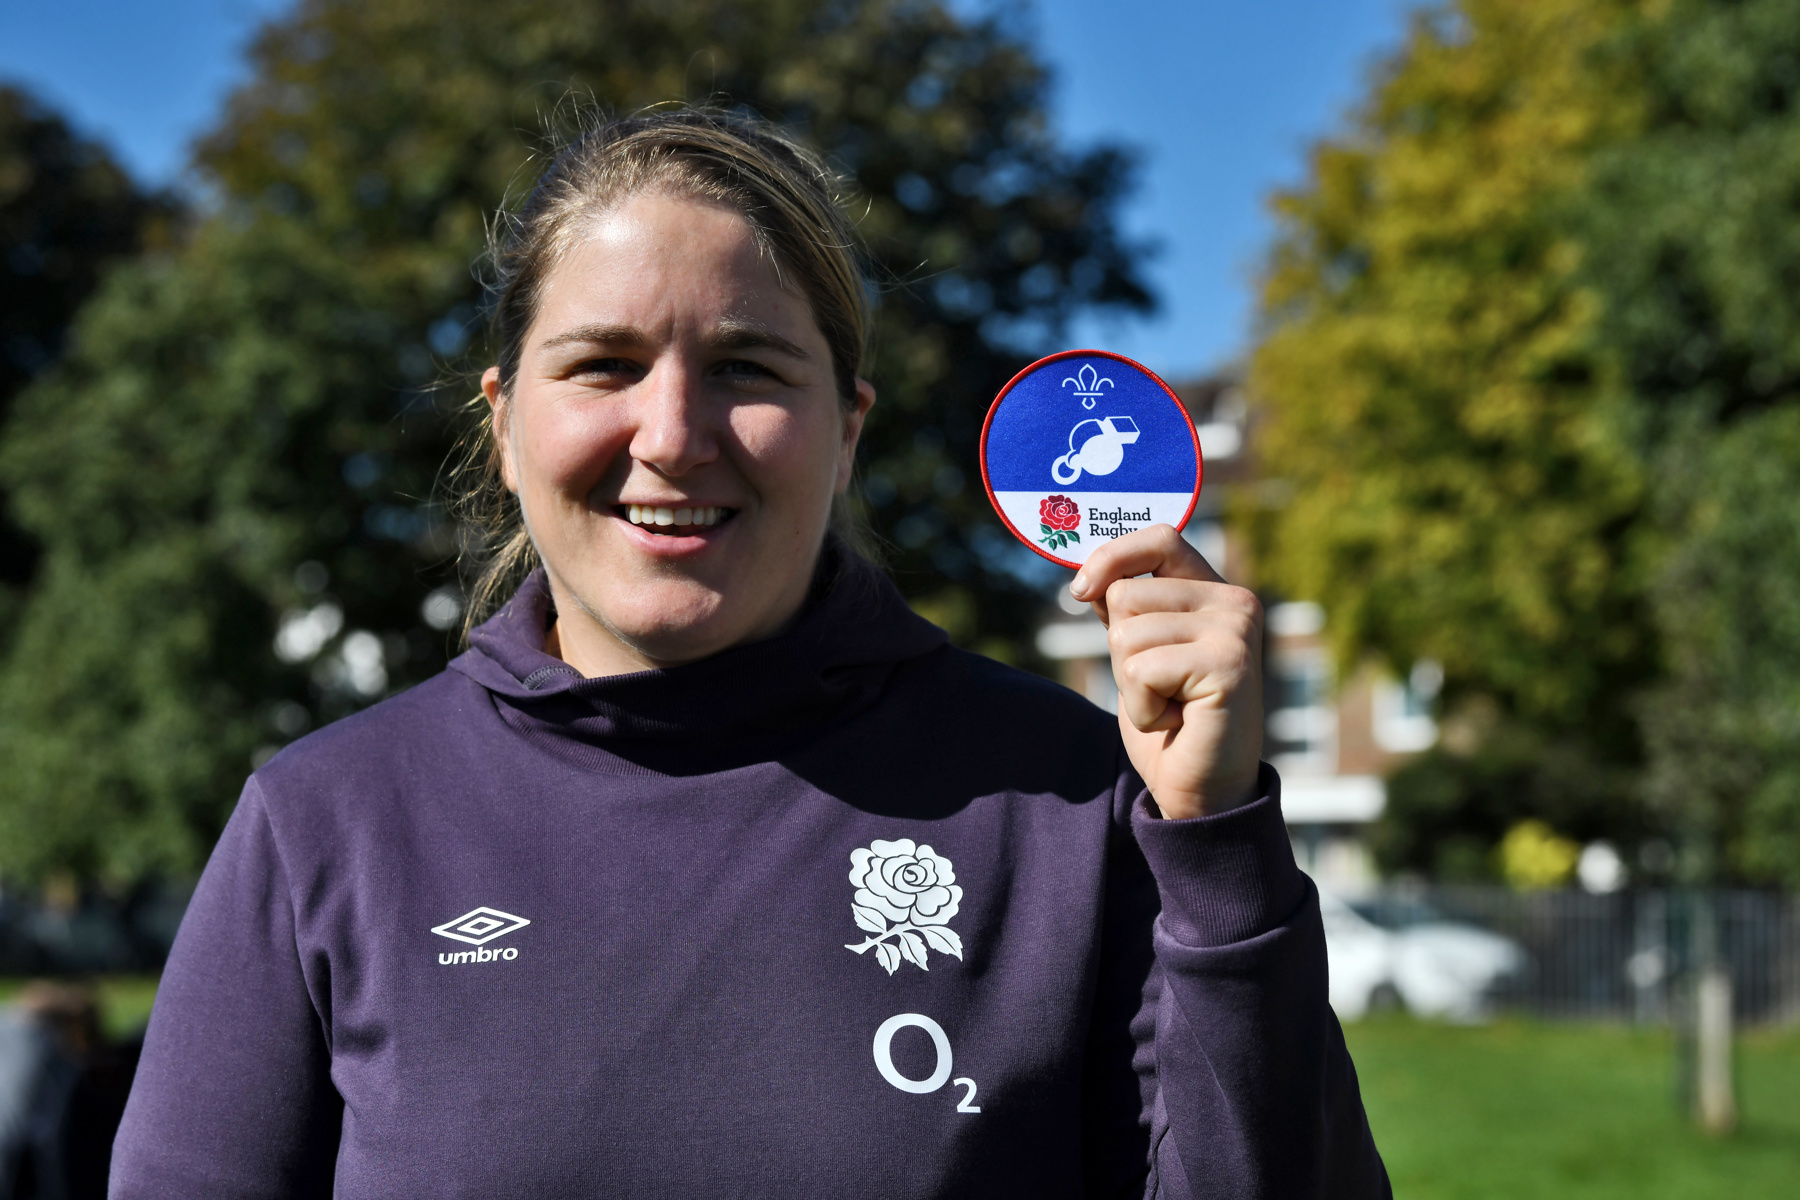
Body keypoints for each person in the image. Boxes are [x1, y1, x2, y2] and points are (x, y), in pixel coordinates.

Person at [110, 108, 1389, 1198]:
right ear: (504, 425)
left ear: (847, 432)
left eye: (747, 367)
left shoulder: (1074, 795)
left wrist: (1217, 841)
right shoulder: (324, 821)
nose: (672, 434)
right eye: (603, 364)